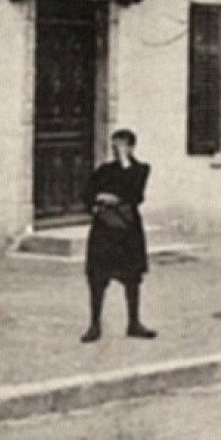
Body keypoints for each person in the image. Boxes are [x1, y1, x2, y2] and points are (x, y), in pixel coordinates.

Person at [80, 128, 156, 342]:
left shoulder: (141, 169)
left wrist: (114, 194)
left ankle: (134, 322)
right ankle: (94, 324)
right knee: (97, 278)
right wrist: (97, 203)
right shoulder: (104, 170)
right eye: (114, 146)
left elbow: (135, 195)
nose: (115, 150)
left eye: (120, 146)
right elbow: (88, 193)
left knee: (132, 278)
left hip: (127, 232)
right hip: (104, 230)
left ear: (131, 147)